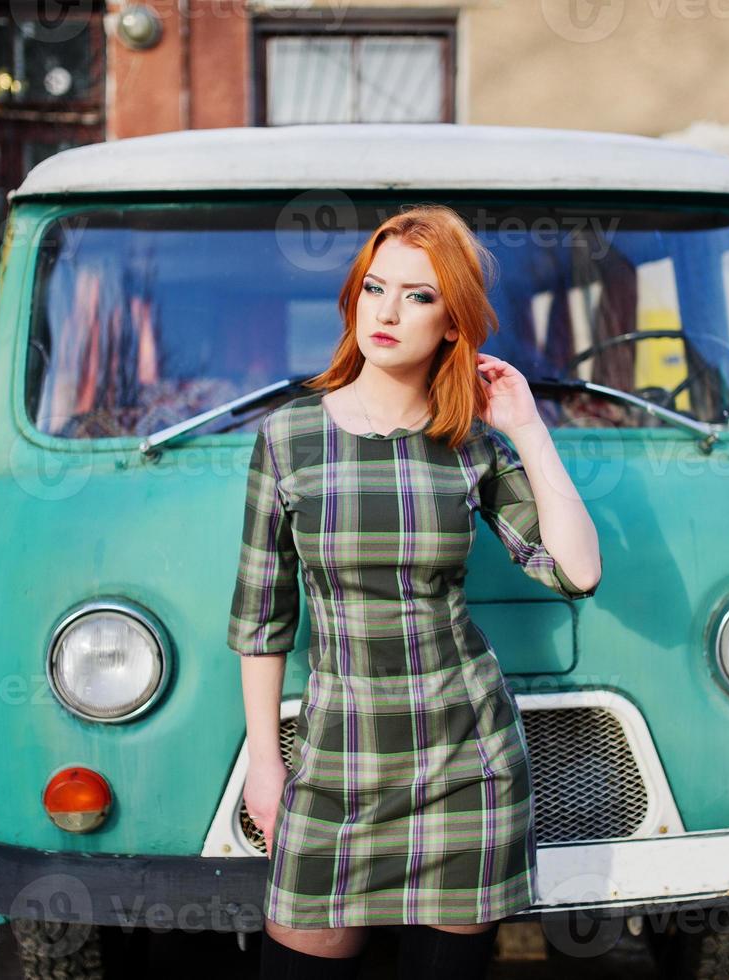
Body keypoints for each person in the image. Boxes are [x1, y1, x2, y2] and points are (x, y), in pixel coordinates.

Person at [227, 204, 602, 980]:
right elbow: (263, 618)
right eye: (375, 288)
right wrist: (266, 765)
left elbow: (575, 571)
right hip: (336, 763)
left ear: (453, 324)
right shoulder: (289, 437)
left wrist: (528, 431)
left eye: (418, 296)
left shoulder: (467, 443)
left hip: (465, 764)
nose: (388, 312)